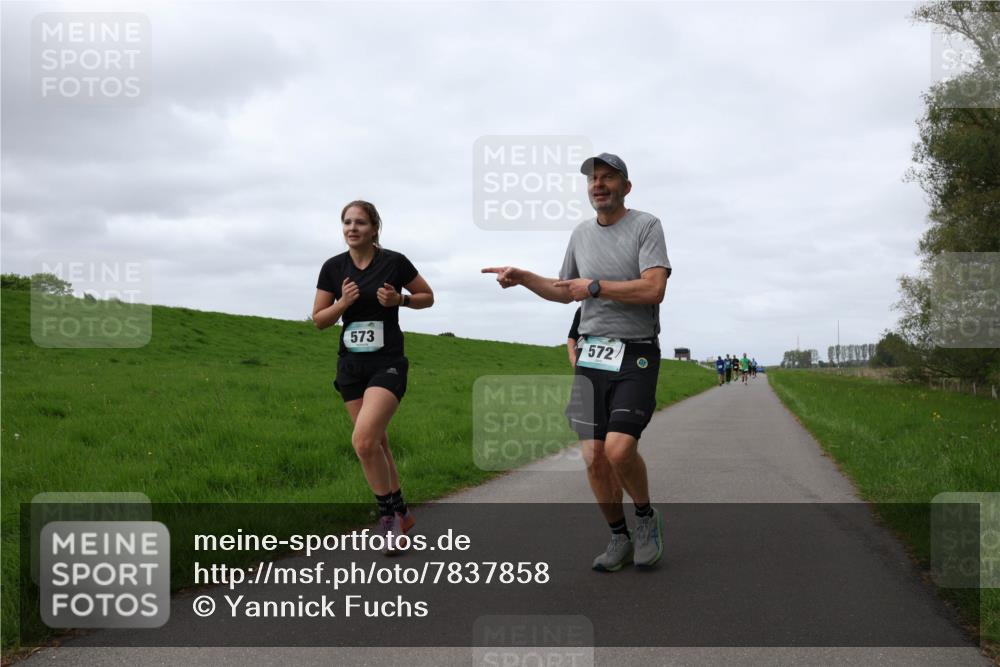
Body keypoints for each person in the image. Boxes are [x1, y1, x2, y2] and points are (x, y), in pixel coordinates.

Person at [483, 152, 670, 571]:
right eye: (593, 179)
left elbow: (654, 289)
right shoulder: (580, 234)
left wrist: (597, 287)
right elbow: (566, 289)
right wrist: (524, 277)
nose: (598, 184)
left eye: (608, 178)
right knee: (594, 457)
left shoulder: (646, 226)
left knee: (620, 450)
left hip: (636, 350)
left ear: (626, 186)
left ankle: (645, 519)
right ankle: (618, 537)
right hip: (593, 355)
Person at [312, 200, 434, 554]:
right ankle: (403, 512)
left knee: (364, 441)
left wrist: (400, 300)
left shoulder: (394, 262)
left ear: (374, 228)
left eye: (360, 222)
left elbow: (428, 297)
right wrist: (343, 304)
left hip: (387, 363)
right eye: (347, 222)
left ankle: (388, 519)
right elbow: (319, 319)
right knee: (377, 443)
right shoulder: (333, 268)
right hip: (351, 366)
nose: (352, 228)